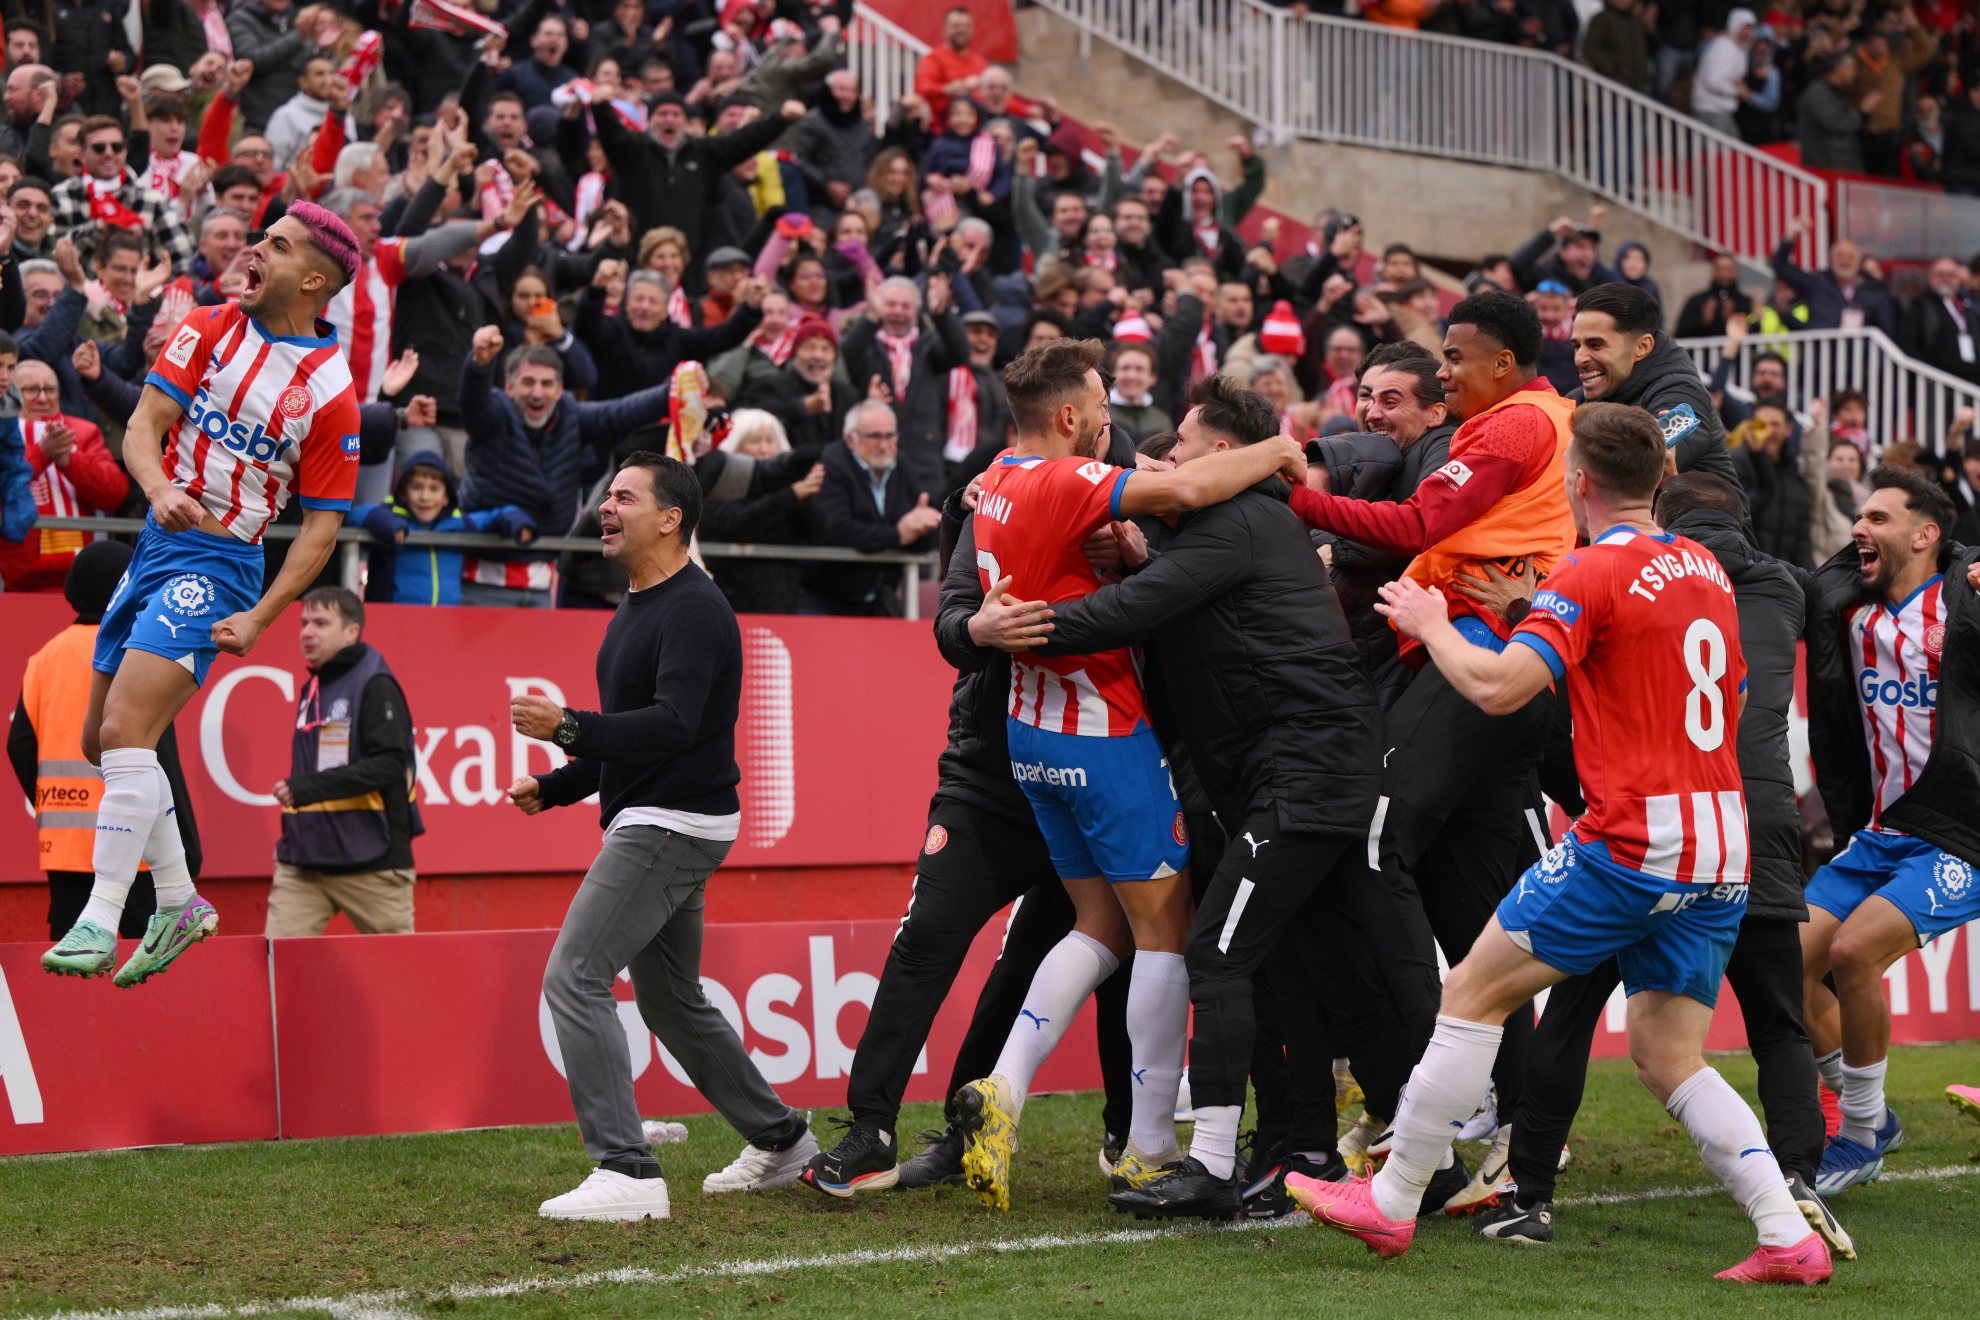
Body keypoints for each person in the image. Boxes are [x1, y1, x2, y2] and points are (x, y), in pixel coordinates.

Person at [1291, 403, 1833, 1286]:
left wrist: (1431, 622)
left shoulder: (1585, 571)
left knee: (1469, 990)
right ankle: (1786, 1234)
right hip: (1719, 842)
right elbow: (1720, 694)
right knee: (1667, 1054)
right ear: (1661, 480)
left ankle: (1389, 1204)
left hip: (1630, 838)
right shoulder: (1705, 567)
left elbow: (1501, 690)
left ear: (1580, 482)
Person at [980, 375, 1383, 1218]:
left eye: (1180, 440)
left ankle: (1023, 1090)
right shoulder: (1092, 482)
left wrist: (990, 632)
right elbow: (1187, 492)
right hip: (1122, 741)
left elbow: (1169, 533)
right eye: (1100, 412)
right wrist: (1277, 455)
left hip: (1042, 733)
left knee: (1122, 932)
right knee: (1181, 941)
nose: (1147, 448)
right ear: (1069, 419)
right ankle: (1164, 1144)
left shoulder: (1004, 482)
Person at [1475, 471, 1852, 1263]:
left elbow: (1591, 662)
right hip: (1759, 828)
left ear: (1665, 523)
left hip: (1651, 830)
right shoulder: (1784, 585)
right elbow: (1841, 587)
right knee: (1778, 1020)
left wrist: (1521, 611)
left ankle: (1531, 1195)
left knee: (1571, 1017)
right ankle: (1794, 1181)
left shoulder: (1642, 574)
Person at [1285, 292, 1579, 1200]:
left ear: (1503, 363)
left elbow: (1417, 526)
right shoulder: (1556, 420)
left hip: (1477, 665)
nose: (1442, 370)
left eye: (1455, 357)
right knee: (1468, 904)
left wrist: (1288, 497)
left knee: (1369, 846)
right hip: (1506, 664)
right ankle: (1522, 1118)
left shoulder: (1506, 429)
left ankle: (1417, 1105)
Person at [39, 204, 364, 987]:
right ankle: (181, 898)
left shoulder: (330, 395)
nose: (256, 249)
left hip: (220, 565)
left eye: (277, 246)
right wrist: (155, 489)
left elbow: (321, 534)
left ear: (313, 280)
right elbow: (143, 426)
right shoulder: (211, 327)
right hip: (156, 545)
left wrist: (258, 615)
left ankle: (100, 916)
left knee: (123, 731)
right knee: (98, 740)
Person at [507, 451, 816, 1221]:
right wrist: (557, 786)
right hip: (663, 814)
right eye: (606, 496)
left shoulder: (695, 609)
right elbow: (641, 742)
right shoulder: (642, 602)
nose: (605, 509)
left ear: (672, 517)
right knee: (671, 1002)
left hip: (673, 823)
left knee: (574, 976)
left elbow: (676, 728)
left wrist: (570, 726)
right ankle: (782, 1142)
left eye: (624, 497)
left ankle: (628, 1169)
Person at [1800, 466, 1980, 1196]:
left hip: (1961, 832)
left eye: (1878, 517)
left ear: (1926, 534)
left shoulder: (1965, 603)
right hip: (1877, 833)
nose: (1858, 529)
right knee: (1782, 962)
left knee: (1850, 950)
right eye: (1859, 517)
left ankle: (1862, 1130)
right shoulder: (1846, 609)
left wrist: (1966, 566)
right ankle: (1869, 1111)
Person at [9, 541, 201, 941]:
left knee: (74, 976)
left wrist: (52, 799)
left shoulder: (46, 656)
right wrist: (187, 847)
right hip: (137, 851)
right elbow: (158, 755)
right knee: (140, 979)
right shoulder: (142, 653)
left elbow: (20, 745)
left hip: (64, 851)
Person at [267, 586, 422, 937]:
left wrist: (305, 788)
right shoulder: (314, 686)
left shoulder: (376, 683)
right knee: (277, 969)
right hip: (303, 863)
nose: (307, 631)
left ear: (351, 632)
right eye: (304, 622)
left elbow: (390, 764)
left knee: (400, 975)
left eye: (321, 623)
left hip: (372, 863)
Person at [1569, 283, 1737, 481]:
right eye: (1576, 346)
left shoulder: (1681, 392)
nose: (1579, 359)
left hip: (1701, 511)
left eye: (1595, 345)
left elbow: (1647, 459)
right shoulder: (1577, 399)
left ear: (1642, 347)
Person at [0, 358, 129, 592]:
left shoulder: (82, 431)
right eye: (30, 390)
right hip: (15, 574)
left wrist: (70, 460)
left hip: (78, 572)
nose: (42, 397)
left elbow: (114, 494)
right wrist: (41, 454)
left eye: (49, 389)